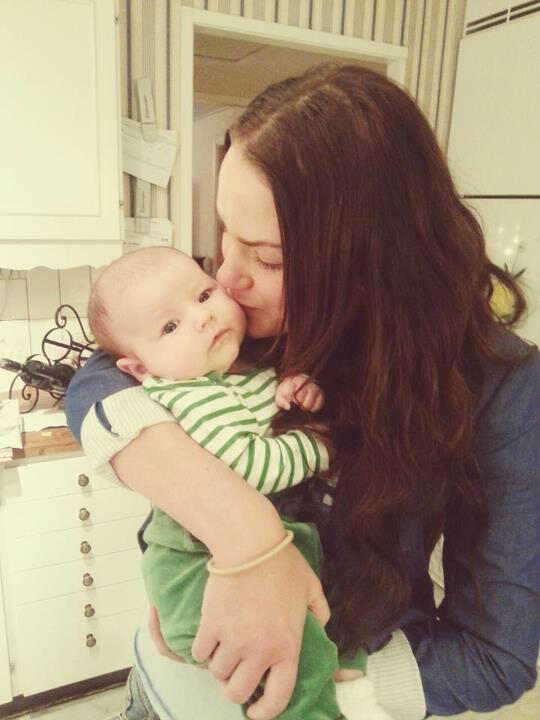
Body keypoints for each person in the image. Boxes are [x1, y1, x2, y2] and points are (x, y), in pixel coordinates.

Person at [66, 64, 540, 720]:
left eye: (269, 258)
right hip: (160, 695)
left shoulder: (498, 383)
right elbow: (97, 377)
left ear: (375, 266)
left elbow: (496, 655)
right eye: (225, 233)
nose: (226, 280)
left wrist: (319, 686)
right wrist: (247, 536)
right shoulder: (231, 321)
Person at [86, 246, 366, 720]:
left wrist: (299, 391)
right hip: (194, 571)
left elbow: (268, 415)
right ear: (140, 369)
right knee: (293, 650)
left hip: (262, 557)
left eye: (203, 294)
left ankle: (341, 661)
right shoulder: (187, 392)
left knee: (320, 609)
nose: (203, 318)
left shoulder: (235, 370)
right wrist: (320, 443)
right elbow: (252, 466)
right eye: (170, 327)